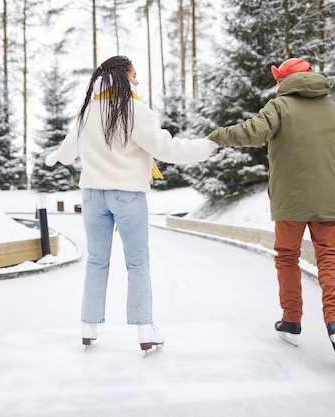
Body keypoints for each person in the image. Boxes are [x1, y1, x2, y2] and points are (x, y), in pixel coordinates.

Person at [46, 55, 217, 352]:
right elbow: (168, 149)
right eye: (134, 74)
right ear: (122, 77)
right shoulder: (134, 110)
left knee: (97, 261)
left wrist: (54, 158)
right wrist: (208, 146)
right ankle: (144, 329)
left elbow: (68, 149)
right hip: (127, 195)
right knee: (137, 262)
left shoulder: (87, 111)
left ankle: (88, 325)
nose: (137, 80)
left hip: (91, 196)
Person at [206, 58, 335, 364]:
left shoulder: (280, 106)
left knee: (288, 256)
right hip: (329, 199)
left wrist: (219, 136)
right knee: (330, 256)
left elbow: (253, 131)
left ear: (284, 81)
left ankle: (291, 321)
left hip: (290, 199)